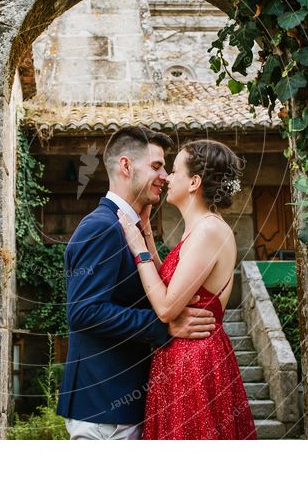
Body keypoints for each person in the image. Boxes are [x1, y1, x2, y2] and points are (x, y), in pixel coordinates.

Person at [56, 126, 218, 440]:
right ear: (126, 166)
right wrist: (164, 327)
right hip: (103, 410)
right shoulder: (101, 227)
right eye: (157, 166)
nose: (165, 176)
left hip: (124, 405)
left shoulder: (129, 227)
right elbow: (84, 312)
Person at [117, 139, 257, 440]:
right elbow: (170, 284)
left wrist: (139, 248)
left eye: (175, 170)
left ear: (194, 182)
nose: (167, 177)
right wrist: (149, 239)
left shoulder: (208, 230)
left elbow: (167, 307)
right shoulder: (198, 229)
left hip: (194, 362)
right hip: (181, 357)